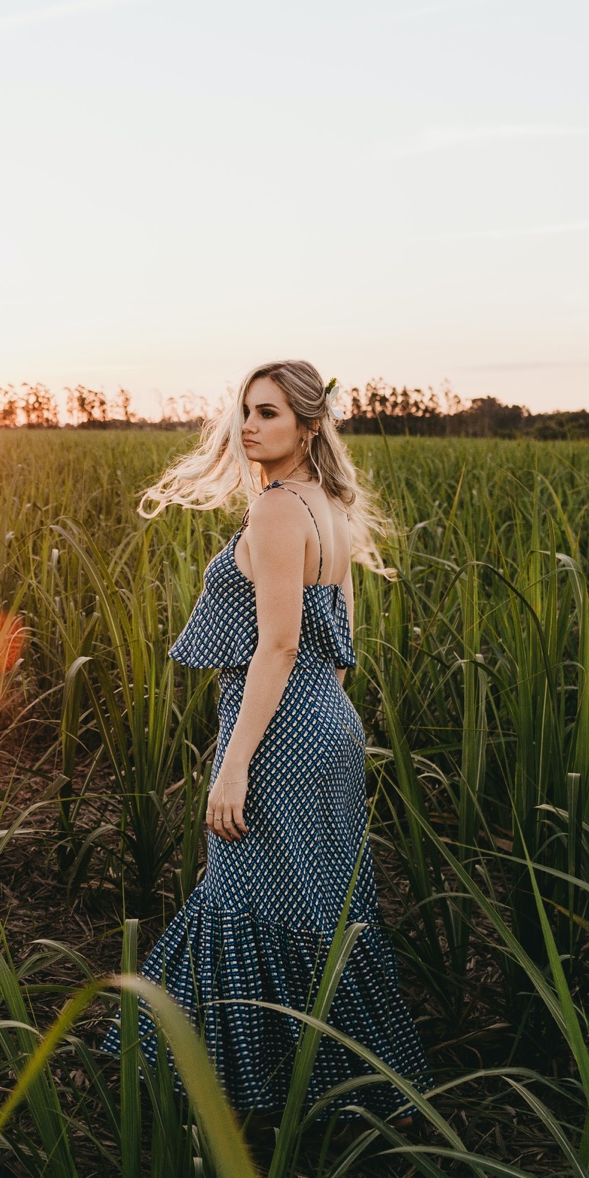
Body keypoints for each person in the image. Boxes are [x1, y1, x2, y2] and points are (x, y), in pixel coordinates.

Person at [103, 359, 428, 1119]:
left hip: (281, 738)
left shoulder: (279, 510)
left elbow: (278, 646)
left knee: (246, 899)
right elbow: (339, 648)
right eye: (246, 410)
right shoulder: (330, 506)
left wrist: (235, 763)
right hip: (328, 726)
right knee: (319, 908)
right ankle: (339, 1089)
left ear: (309, 425)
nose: (248, 425)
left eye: (269, 412)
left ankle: (247, 1093)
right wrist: (314, 722)